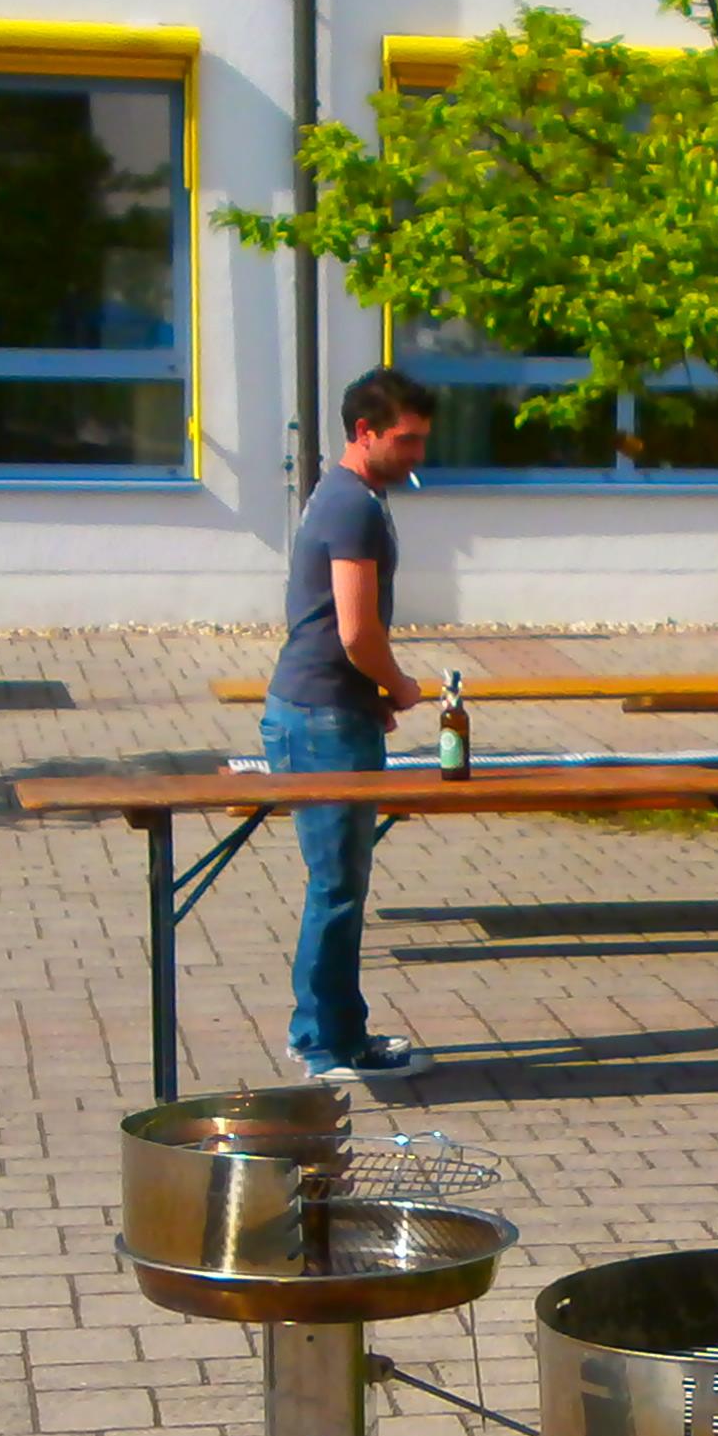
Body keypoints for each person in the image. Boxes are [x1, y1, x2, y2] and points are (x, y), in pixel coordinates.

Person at [265, 367, 437, 1083]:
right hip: (320, 718)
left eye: (422, 440)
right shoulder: (351, 505)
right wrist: (398, 687)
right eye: (406, 439)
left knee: (339, 886)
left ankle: (335, 1030)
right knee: (336, 888)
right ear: (364, 432)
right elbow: (357, 629)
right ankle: (324, 1045)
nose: (417, 454)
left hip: (329, 709)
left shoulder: (351, 496)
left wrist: (371, 696)